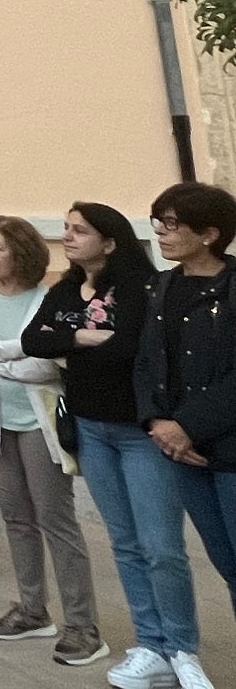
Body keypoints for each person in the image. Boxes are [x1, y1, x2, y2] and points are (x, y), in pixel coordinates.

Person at [26, 202, 198, 689]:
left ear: (111, 241)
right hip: (91, 427)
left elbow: (130, 347)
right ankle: (150, 644)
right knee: (124, 542)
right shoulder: (64, 288)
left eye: (80, 230)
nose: (69, 238)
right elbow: (32, 339)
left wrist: (69, 339)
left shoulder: (142, 289)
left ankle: (181, 647)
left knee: (161, 546)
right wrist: (84, 334)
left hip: (141, 430)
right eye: (65, 229)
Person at [0, 215, 105, 666]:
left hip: (38, 422)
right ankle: (32, 609)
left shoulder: (48, 298)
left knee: (56, 519)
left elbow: (46, 364)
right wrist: (20, 347)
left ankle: (82, 624)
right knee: (16, 517)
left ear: (21, 251)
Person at [141, 183, 236, 652]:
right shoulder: (163, 286)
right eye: (159, 220)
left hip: (227, 446)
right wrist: (157, 424)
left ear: (209, 233)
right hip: (181, 450)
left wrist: (187, 425)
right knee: (226, 562)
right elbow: (147, 363)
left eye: (173, 223)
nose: (161, 230)